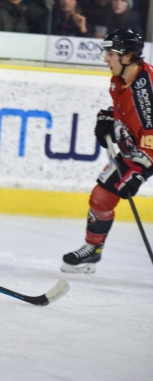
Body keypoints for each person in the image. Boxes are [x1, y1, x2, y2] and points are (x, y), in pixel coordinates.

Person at [62, 29, 152, 274]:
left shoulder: (144, 94)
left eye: (110, 53)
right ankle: (93, 251)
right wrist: (110, 118)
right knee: (101, 197)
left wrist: (138, 173)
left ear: (128, 56)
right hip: (137, 150)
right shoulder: (120, 79)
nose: (105, 58)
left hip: (147, 153)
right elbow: (124, 112)